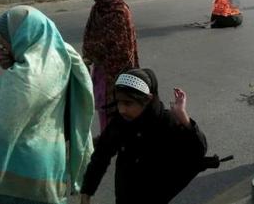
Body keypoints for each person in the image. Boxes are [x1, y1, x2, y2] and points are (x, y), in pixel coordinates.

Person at [0, 5, 94, 204]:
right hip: (51, 167)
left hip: (21, 174)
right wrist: (14, 63)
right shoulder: (62, 55)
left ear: (23, 37)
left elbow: (1, 131)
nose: (1, 43)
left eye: (5, 37)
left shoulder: (25, 77)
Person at [79, 68, 207, 204]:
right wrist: (87, 191)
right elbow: (101, 156)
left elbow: (198, 151)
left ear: (147, 99)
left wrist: (183, 117)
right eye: (119, 103)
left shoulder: (166, 121)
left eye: (128, 103)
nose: (122, 109)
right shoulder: (119, 122)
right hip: (124, 195)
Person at [83, 0, 139, 131]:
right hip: (101, 69)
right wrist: (89, 55)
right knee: (103, 106)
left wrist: (97, 51)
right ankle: (107, 138)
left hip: (119, 69)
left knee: (120, 106)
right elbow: (88, 35)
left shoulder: (121, 11)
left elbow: (121, 45)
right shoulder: (96, 10)